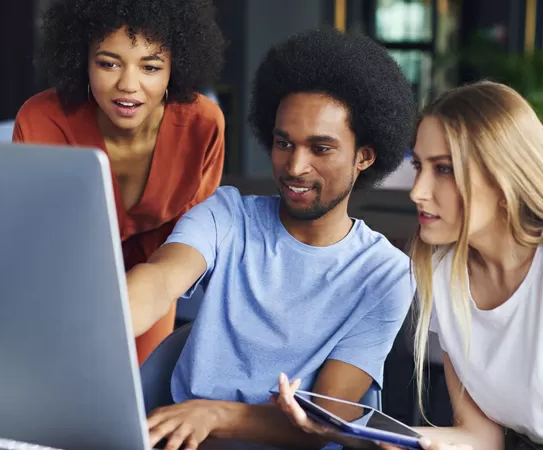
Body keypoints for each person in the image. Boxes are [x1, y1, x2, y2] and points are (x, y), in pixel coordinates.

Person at [276, 81, 543, 450]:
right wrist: (392, 438)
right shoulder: (444, 271)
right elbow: (479, 437)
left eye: (444, 170)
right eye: (419, 166)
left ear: (503, 177)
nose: (417, 191)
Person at [133, 28, 418, 450]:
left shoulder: (385, 274)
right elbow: (159, 280)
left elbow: (326, 418)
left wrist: (214, 414)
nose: (295, 166)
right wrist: (93, 326)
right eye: (284, 143)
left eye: (320, 148)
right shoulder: (227, 214)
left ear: (365, 156)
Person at [12, 0, 227, 363]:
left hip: (153, 285)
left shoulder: (202, 125)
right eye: (108, 63)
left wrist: (151, 289)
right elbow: (30, 239)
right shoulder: (42, 121)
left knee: (138, 398)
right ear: (83, 59)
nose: (128, 85)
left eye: (151, 66)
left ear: (175, 67)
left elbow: (191, 237)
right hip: (58, 287)